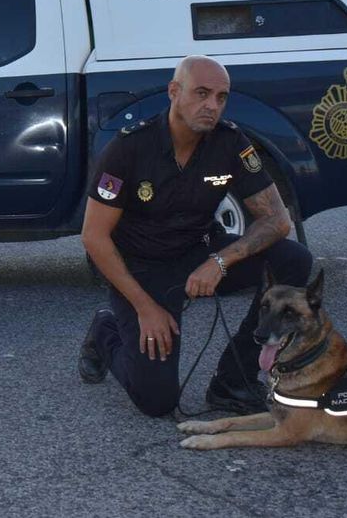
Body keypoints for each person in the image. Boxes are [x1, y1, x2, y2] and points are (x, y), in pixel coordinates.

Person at [76, 55, 313, 417]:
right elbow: (94, 237)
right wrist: (144, 307)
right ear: (174, 92)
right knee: (157, 402)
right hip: (142, 270)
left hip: (197, 256)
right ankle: (107, 330)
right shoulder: (128, 149)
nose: (212, 106)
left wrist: (221, 261)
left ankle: (234, 379)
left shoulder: (231, 142)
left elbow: (277, 220)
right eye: (202, 93)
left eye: (221, 97)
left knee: (293, 260)